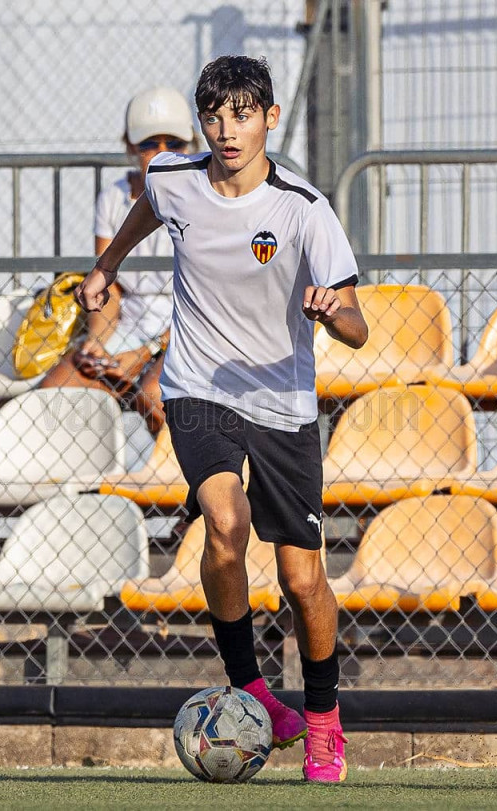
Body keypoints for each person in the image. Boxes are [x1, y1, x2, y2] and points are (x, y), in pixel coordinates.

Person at [75, 55, 367, 783]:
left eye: (243, 114)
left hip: (283, 404)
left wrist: (332, 312)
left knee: (302, 579)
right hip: (197, 388)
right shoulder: (173, 178)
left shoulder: (303, 207)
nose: (228, 130)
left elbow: (358, 326)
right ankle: (252, 689)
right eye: (215, 116)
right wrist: (108, 265)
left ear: (270, 118)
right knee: (224, 520)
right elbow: (149, 207)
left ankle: (324, 719)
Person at [39, 86, 196, 434]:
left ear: (191, 145)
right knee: (51, 397)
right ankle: (85, 473)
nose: (162, 153)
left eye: (174, 143)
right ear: (130, 146)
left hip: (187, 332)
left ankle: (188, 473)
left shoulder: (204, 197)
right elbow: (109, 286)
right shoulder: (113, 198)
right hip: (130, 330)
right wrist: (98, 341)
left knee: (155, 398)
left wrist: (147, 351)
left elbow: (207, 301)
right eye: (149, 144)